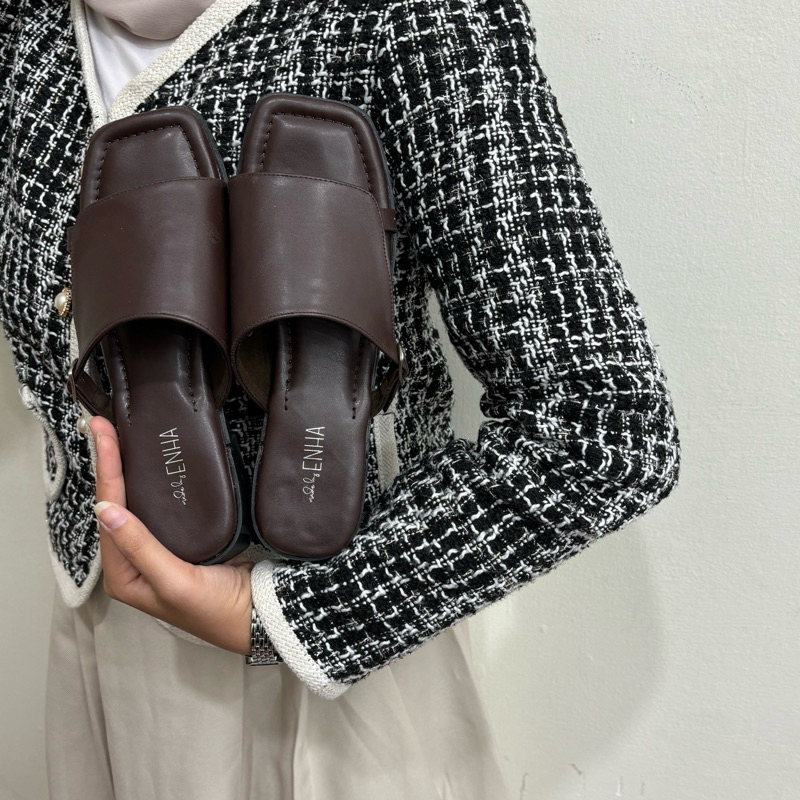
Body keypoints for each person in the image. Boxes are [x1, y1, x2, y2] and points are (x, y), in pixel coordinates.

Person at [0, 0, 682, 798]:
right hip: (102, 641)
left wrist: (296, 618)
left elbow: (601, 430)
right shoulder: (27, 26)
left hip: (338, 679)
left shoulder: (407, 14)